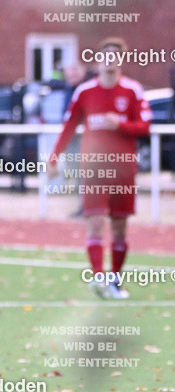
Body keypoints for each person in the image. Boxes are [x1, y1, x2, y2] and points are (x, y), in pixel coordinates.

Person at [47, 37, 151, 299]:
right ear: (99, 60)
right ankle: (97, 278)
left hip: (124, 169)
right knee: (94, 222)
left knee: (119, 226)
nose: (110, 60)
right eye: (106, 55)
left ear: (121, 60)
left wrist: (121, 125)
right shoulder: (84, 92)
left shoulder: (133, 91)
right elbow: (69, 126)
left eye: (115, 55)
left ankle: (115, 280)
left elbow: (145, 126)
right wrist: (54, 158)